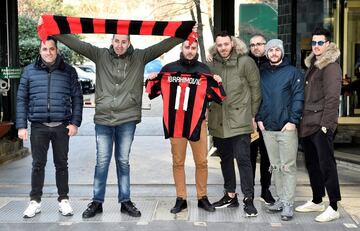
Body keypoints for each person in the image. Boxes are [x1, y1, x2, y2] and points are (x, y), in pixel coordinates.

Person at [54, 31, 190, 218]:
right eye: (117, 41)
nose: (119, 45)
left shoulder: (140, 56)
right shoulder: (100, 55)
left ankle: (125, 201)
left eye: (123, 42)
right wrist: (54, 31)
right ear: (112, 41)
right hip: (104, 119)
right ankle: (97, 201)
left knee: (123, 161)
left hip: (127, 118)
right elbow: (77, 44)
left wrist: (183, 33)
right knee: (102, 162)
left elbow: (162, 46)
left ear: (129, 42)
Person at [146, 40, 225, 214]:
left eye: (193, 48)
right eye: (187, 47)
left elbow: (215, 96)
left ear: (197, 49)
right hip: (176, 124)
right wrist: (152, 79)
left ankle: (202, 197)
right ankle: (181, 198)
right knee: (178, 162)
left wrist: (217, 81)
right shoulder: (168, 69)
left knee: (202, 162)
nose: (190, 51)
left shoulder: (204, 70)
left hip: (197, 122)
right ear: (181, 48)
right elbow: (153, 91)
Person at [16, 36, 83, 218]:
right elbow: (22, 99)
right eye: (45, 49)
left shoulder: (69, 71)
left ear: (57, 50)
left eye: (52, 49)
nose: (48, 52)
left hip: (62, 126)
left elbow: (77, 98)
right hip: (38, 126)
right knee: (38, 165)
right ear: (40, 51)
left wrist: (75, 123)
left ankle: (63, 201)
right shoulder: (29, 72)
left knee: (62, 164)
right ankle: (35, 202)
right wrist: (21, 126)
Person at [207, 31, 261, 217]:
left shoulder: (246, 62)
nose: (222, 48)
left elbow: (256, 90)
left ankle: (249, 199)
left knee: (244, 160)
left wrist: (253, 115)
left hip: (240, 120)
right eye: (219, 45)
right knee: (225, 160)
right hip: (218, 121)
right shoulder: (211, 64)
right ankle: (230, 195)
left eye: (225, 44)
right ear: (216, 46)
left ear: (232, 44)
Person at [296, 27, 342, 222]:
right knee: (312, 164)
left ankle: (333, 206)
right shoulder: (314, 65)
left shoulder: (330, 66)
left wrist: (326, 124)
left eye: (320, 42)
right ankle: (317, 200)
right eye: (313, 43)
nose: (316, 46)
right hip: (308, 123)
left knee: (326, 164)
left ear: (328, 44)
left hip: (321, 124)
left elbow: (332, 98)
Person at [256, 39, 304, 221]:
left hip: (286, 127)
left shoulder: (293, 72)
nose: (274, 53)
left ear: (282, 52)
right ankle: (281, 199)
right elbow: (257, 97)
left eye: (277, 50)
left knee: (288, 166)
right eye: (271, 50)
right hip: (267, 127)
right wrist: (259, 118)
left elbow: (299, 96)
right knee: (275, 166)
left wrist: (293, 121)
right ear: (267, 53)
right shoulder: (262, 73)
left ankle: (289, 204)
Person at [248, 34, 275, 205]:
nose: (256, 47)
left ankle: (266, 190)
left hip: (267, 119)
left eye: (259, 44)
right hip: (249, 119)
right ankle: (248, 192)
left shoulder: (273, 64)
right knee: (248, 157)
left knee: (267, 157)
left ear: (265, 45)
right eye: (252, 45)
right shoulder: (244, 63)